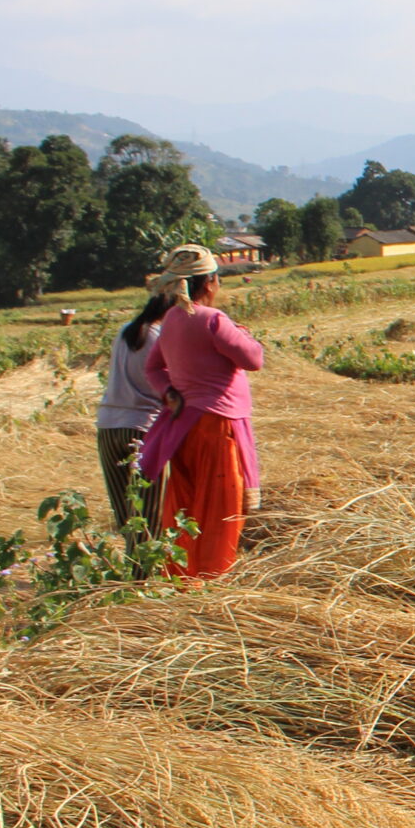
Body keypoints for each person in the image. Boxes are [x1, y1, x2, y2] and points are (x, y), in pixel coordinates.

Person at [135, 245, 264, 579]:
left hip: (185, 425)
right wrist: (244, 334)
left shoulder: (171, 321)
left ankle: (181, 577)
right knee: (221, 507)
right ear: (209, 283)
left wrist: (170, 393)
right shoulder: (213, 320)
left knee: (187, 506)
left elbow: (153, 369)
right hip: (218, 425)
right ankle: (211, 580)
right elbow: (253, 360)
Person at [96, 293, 169, 529]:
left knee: (126, 519)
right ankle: (143, 568)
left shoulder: (125, 330)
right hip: (143, 430)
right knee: (149, 522)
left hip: (108, 427)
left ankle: (131, 565)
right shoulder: (162, 336)